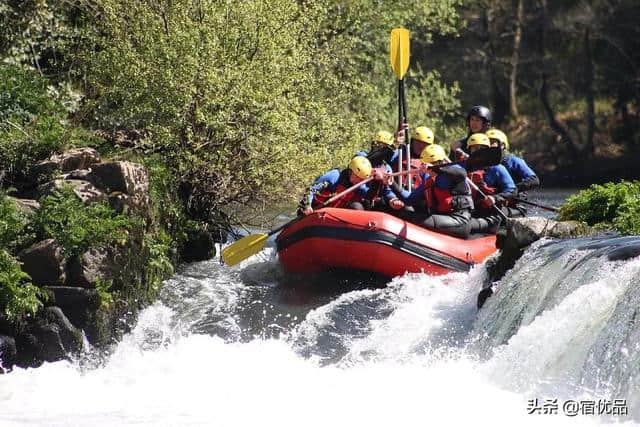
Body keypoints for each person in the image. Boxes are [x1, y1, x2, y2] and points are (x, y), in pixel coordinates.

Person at [392, 144, 474, 239]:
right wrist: (392, 183)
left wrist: (437, 168)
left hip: (460, 220)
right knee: (405, 214)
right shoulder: (430, 180)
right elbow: (409, 199)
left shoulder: (454, 170)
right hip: (443, 218)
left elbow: (462, 174)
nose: (426, 168)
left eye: (430, 164)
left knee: (418, 220)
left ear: (440, 162)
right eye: (425, 164)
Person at [465, 133, 518, 233]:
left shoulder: (497, 168)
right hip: (472, 211)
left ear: (487, 150)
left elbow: (512, 190)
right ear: (469, 150)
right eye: (474, 149)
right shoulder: (466, 167)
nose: (478, 151)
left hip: (492, 213)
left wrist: (495, 198)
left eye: (481, 148)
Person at [297, 156, 373, 216]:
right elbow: (311, 190)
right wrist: (307, 206)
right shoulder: (334, 176)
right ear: (350, 171)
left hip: (333, 217)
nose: (358, 181)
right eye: (357, 177)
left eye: (361, 179)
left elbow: (372, 197)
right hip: (314, 212)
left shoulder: (359, 186)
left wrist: (380, 181)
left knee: (357, 207)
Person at [355, 130, 405, 212]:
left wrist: (393, 199)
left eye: (384, 147)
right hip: (358, 199)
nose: (381, 150)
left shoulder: (387, 168)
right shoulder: (361, 156)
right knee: (357, 207)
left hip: (374, 203)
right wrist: (393, 145)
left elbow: (387, 190)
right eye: (379, 146)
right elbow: (371, 159)